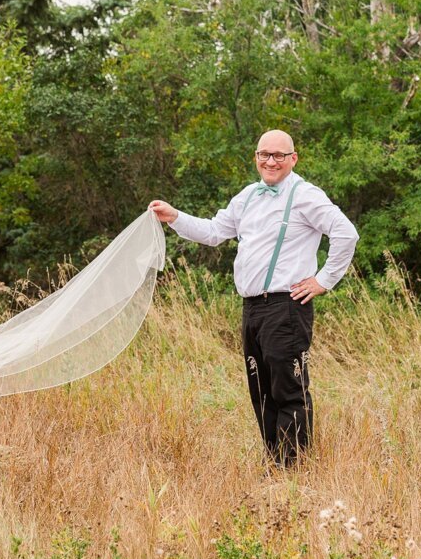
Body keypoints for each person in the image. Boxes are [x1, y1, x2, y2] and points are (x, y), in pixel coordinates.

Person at [148, 129, 359, 467]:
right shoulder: (248, 196)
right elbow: (214, 231)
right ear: (256, 157)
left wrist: (323, 280)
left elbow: (346, 233)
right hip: (252, 308)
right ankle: (274, 462)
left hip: (286, 306)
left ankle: (293, 469)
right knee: (260, 390)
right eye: (264, 154)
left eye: (278, 155)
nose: (270, 161)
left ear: (293, 159)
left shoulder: (305, 195)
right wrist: (175, 217)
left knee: (288, 389)